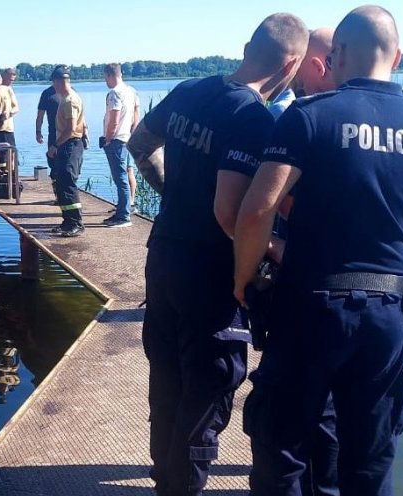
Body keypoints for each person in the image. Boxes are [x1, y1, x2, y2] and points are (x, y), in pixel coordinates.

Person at [233, 6, 403, 495]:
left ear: (338, 55)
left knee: (282, 450)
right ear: (399, 57)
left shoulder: (309, 117)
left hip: (307, 310)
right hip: (385, 321)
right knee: (369, 460)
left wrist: (244, 279)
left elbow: (257, 213)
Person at [127, 13, 309, 496]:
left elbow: (139, 144)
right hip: (209, 273)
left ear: (248, 47)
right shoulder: (251, 117)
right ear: (292, 64)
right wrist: (276, 250)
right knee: (207, 390)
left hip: (163, 255)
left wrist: (170, 196)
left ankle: (165, 479)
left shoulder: (190, 90)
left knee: (166, 376)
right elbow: (230, 215)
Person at [265, 26, 341, 496]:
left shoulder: (299, 116)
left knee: (296, 401)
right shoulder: (292, 116)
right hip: (328, 284)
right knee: (325, 406)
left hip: (304, 278)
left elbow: (263, 205)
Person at [48, 65, 89, 237]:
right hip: (69, 144)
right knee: (61, 181)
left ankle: (75, 223)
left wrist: (55, 145)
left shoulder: (70, 100)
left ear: (58, 82)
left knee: (67, 181)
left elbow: (71, 128)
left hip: (70, 144)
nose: (54, 86)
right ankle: (67, 221)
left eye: (54, 82)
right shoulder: (68, 97)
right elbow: (83, 123)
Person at [101, 63, 140, 228]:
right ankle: (123, 209)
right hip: (126, 138)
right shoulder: (130, 91)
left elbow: (114, 119)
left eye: (105, 77)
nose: (105, 81)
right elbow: (136, 113)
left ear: (110, 75)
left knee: (120, 178)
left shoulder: (115, 93)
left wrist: (108, 139)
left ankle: (123, 216)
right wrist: (133, 131)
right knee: (124, 175)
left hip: (116, 140)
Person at [36, 66, 65, 168]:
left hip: (69, 133)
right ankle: (55, 180)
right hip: (53, 133)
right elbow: (40, 115)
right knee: (53, 161)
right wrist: (38, 132)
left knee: (67, 165)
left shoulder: (71, 93)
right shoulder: (47, 94)